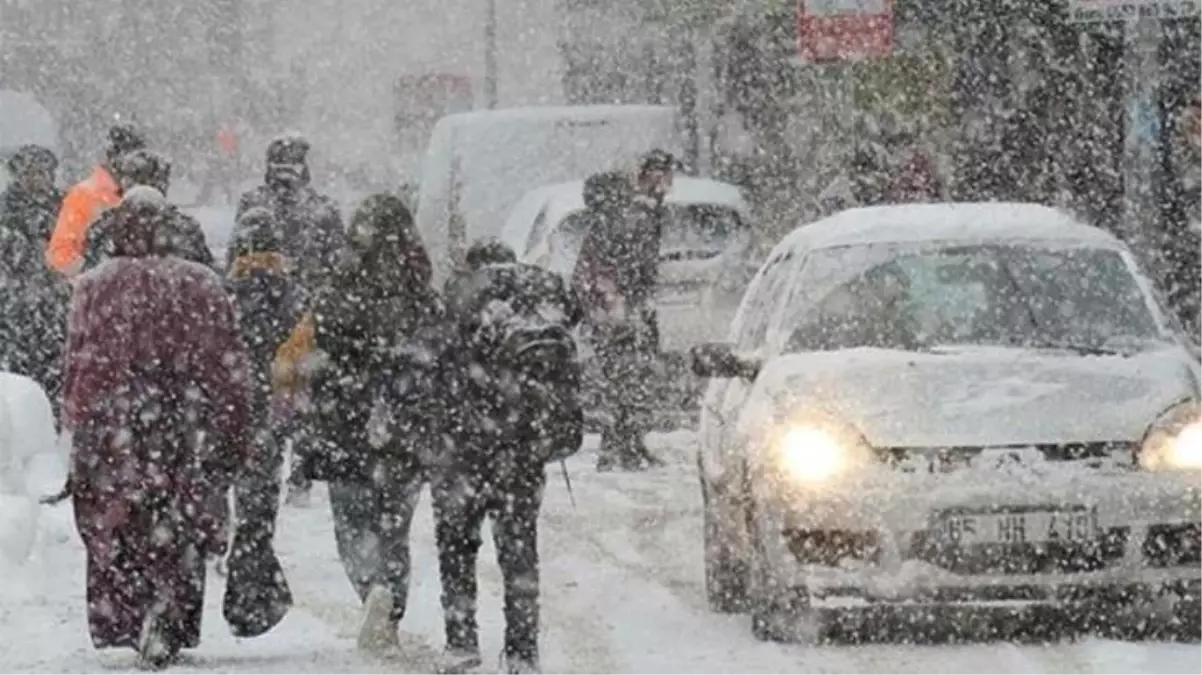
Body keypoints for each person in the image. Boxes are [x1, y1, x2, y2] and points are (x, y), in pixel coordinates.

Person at [58, 186, 251, 669]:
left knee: (120, 524)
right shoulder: (201, 284)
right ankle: (169, 609)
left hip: (114, 426)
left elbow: (79, 364)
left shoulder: (93, 286)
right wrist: (232, 424)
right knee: (179, 522)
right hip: (185, 423)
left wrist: (77, 421)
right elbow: (225, 364)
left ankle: (130, 612)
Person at [275, 193, 442, 652]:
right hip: (404, 430)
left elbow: (313, 359)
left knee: (353, 525)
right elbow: (435, 362)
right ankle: (390, 594)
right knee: (395, 527)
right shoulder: (422, 297)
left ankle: (370, 586)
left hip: (344, 426)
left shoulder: (334, 295)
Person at [433, 238, 584, 675]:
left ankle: (461, 640)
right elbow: (577, 320)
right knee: (519, 549)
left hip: (465, 446)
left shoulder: (461, 295)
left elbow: (435, 364)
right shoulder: (543, 294)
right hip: (523, 447)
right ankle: (522, 652)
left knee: (457, 545)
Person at [232, 134, 345, 504]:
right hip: (303, 311)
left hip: (256, 312)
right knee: (300, 391)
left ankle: (266, 458)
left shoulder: (252, 205)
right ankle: (299, 472)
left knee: (265, 391)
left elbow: (236, 256)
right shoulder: (322, 209)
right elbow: (337, 263)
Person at [222, 206, 302, 639]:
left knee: (238, 500)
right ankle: (250, 594)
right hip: (274, 411)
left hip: (228, 410)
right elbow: (304, 360)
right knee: (258, 506)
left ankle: (249, 589)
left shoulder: (224, 293)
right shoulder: (293, 294)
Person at [572, 151, 673, 472]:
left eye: (667, 175)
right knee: (628, 377)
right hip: (620, 311)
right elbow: (629, 267)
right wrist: (627, 306)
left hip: (616, 310)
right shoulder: (635, 216)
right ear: (643, 177)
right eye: (660, 174)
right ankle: (621, 446)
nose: (667, 183)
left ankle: (622, 444)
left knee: (624, 378)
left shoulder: (636, 214)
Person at [0, 145, 68, 416]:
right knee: (16, 366)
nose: (36, 179)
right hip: (13, 301)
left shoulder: (63, 206)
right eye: (30, 172)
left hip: (55, 300)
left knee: (55, 364)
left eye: (42, 172)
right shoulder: (6, 210)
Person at [81, 149, 215, 272]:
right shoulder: (186, 229)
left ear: (125, 183)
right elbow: (210, 282)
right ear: (163, 185)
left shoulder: (103, 229)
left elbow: (86, 281)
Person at [46, 122, 146, 275]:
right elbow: (60, 252)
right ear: (112, 157)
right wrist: (92, 274)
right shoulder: (84, 195)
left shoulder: (142, 195)